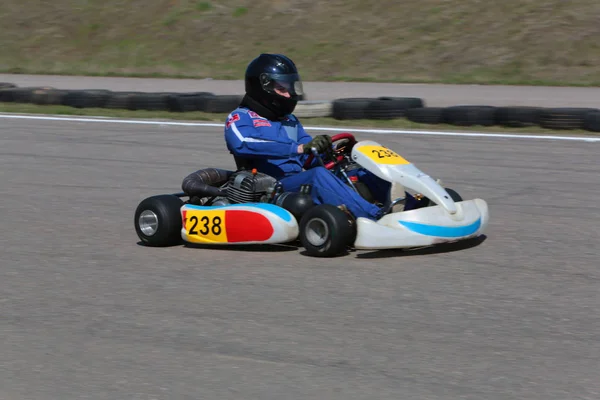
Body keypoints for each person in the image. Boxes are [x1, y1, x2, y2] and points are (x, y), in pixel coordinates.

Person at [223, 53, 406, 221]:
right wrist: (297, 148)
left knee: (355, 170)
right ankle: (376, 216)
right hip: (270, 186)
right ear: (263, 88)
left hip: (298, 180)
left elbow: (308, 156)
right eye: (281, 89)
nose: (289, 94)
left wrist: (331, 152)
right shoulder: (241, 117)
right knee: (318, 176)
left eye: (289, 88)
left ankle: (410, 206)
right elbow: (243, 143)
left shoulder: (289, 120)